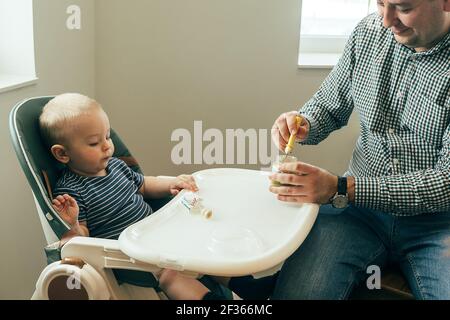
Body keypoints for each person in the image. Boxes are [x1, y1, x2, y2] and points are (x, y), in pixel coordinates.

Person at [269, 0, 450, 299]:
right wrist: (302, 123)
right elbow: (328, 105)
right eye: (381, 3)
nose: (386, 20)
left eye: (403, 7)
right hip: (357, 214)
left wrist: (340, 188)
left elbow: (445, 183)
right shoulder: (367, 34)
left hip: (438, 224)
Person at [39, 93, 226, 300]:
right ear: (63, 154)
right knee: (170, 275)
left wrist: (171, 184)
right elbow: (80, 243)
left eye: (107, 136)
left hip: (155, 232)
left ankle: (246, 285)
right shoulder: (72, 191)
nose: (107, 146)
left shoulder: (116, 165)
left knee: (202, 245)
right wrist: (72, 225)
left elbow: (144, 185)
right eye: (94, 143)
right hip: (130, 257)